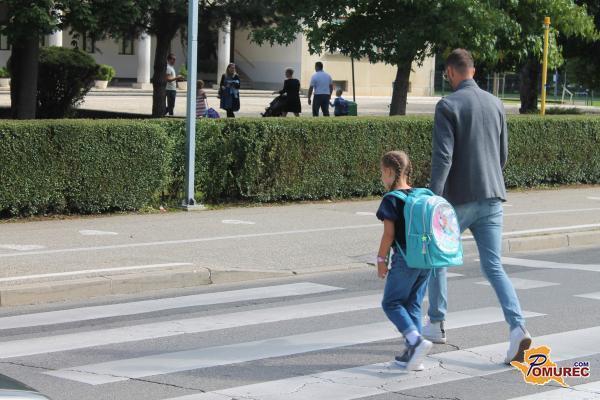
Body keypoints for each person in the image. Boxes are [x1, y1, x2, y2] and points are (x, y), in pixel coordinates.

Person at [424, 48, 531, 364]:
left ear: (450, 72)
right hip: (493, 196)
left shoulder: (447, 105)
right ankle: (517, 328)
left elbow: (443, 157)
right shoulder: (496, 103)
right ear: (472, 69)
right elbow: (503, 154)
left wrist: (433, 198)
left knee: (437, 258)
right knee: (494, 266)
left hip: (458, 199)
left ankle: (437, 323)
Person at [377, 150, 433, 371]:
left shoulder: (391, 200)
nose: (382, 178)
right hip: (427, 258)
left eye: (382, 173)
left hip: (405, 259)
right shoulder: (423, 194)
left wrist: (381, 259)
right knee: (413, 304)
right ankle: (414, 356)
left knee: (391, 303)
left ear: (390, 172)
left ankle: (415, 341)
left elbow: (388, 235)